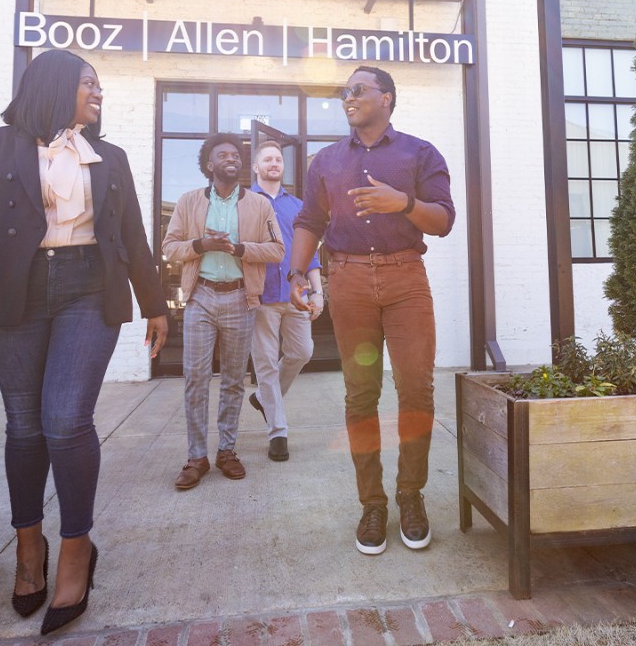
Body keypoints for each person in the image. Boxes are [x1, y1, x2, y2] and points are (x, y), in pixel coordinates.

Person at [0, 50, 168, 636]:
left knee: (65, 419)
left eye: (100, 86)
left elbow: (132, 235)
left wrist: (155, 305)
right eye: (89, 84)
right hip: (16, 290)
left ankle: (76, 547)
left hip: (89, 289)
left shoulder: (110, 157)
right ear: (55, 86)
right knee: (25, 424)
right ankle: (30, 547)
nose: (98, 93)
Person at [288, 66, 454, 555]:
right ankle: (373, 503)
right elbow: (310, 220)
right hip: (349, 282)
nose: (348, 97)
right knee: (361, 394)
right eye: (344, 92)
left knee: (416, 390)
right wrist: (297, 275)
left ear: (387, 98)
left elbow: (443, 220)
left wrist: (402, 203)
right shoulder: (327, 160)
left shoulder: (419, 153)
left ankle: (411, 494)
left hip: (406, 281)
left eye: (358, 90)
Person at [162, 133, 284, 490]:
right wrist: (202, 245)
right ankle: (196, 456)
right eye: (222, 154)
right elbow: (170, 247)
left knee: (233, 380)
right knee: (195, 378)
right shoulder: (188, 202)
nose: (231, 157)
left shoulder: (260, 205)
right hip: (201, 298)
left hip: (239, 299)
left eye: (236, 154)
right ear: (209, 165)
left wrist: (239, 249)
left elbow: (276, 250)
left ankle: (226, 451)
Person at [248, 140, 322, 462]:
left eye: (278, 159)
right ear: (256, 167)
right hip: (261, 294)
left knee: (302, 351)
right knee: (265, 363)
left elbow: (311, 251)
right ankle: (278, 433)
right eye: (267, 159)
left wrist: (318, 291)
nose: (274, 163)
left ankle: (264, 399)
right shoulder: (245, 202)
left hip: (296, 293)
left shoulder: (298, 205)